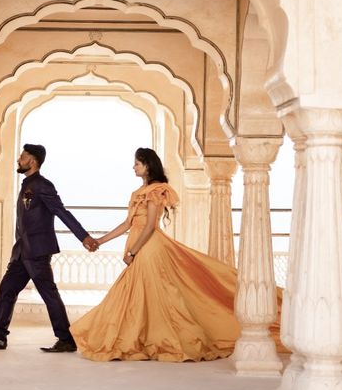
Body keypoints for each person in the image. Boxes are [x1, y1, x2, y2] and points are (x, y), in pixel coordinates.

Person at [71, 147, 241, 362]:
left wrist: (133, 252)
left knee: (149, 295)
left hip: (149, 248)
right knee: (139, 295)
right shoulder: (137, 193)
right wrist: (99, 241)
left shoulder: (156, 190)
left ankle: (159, 340)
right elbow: (127, 224)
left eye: (137, 164)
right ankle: (143, 339)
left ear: (148, 166)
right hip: (139, 246)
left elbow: (150, 226)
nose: (133, 167)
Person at [0, 143, 99, 353]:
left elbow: (61, 212)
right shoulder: (26, 184)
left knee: (49, 294)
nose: (18, 159)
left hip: (38, 251)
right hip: (22, 252)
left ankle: (66, 339)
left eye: (22, 156)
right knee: (7, 289)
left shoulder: (43, 185)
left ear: (32, 161)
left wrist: (83, 237)